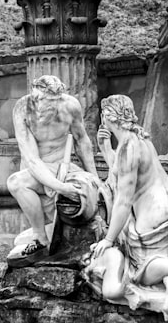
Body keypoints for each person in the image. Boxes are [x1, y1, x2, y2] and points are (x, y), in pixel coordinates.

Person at [84, 94, 168, 320]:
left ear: (109, 117)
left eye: (103, 114)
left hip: (152, 210)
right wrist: (105, 148)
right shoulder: (141, 139)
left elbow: (124, 201)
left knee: (139, 267)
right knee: (159, 253)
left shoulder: (127, 148)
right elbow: (123, 174)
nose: (101, 119)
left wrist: (108, 239)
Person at [6, 75, 102, 267]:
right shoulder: (23, 109)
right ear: (35, 94)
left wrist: (95, 178)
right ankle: (40, 238)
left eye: (54, 101)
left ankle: (47, 236)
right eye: (45, 100)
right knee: (16, 182)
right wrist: (60, 187)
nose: (49, 106)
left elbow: (82, 140)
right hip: (36, 171)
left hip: (63, 168)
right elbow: (32, 159)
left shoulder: (70, 106)